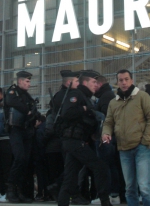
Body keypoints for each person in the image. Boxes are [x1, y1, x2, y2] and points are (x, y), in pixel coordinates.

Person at [102, 70, 150, 206]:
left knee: (144, 187)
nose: (124, 82)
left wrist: (146, 140)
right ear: (117, 82)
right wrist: (106, 132)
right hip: (124, 149)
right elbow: (108, 122)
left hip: (141, 148)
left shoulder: (142, 97)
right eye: (121, 80)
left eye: (126, 79)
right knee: (130, 188)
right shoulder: (113, 103)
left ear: (132, 80)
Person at [57, 70, 111, 206]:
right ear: (85, 82)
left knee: (70, 178)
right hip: (74, 141)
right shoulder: (76, 94)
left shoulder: (86, 97)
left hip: (76, 142)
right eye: (93, 82)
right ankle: (105, 201)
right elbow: (67, 113)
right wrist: (85, 109)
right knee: (100, 168)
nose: (96, 84)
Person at [4, 70, 40, 203]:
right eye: (27, 81)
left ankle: (19, 191)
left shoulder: (27, 96)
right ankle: (11, 189)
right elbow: (12, 102)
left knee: (24, 161)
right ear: (20, 81)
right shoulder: (13, 92)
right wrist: (28, 111)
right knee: (19, 158)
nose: (29, 84)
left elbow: (33, 111)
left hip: (26, 131)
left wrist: (37, 116)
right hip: (16, 130)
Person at [44, 70, 80, 202]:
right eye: (76, 81)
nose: (78, 83)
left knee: (71, 167)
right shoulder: (67, 96)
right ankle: (71, 193)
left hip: (63, 137)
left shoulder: (60, 95)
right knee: (72, 167)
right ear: (69, 82)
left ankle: (62, 189)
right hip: (66, 136)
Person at [93, 75, 120, 205]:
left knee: (106, 166)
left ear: (99, 84)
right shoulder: (108, 95)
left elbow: (105, 119)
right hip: (109, 136)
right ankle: (113, 193)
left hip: (105, 137)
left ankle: (109, 194)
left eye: (94, 83)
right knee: (110, 165)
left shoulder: (105, 97)